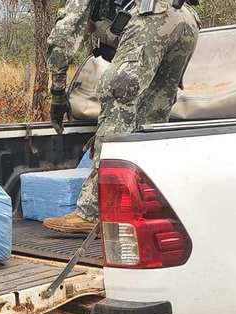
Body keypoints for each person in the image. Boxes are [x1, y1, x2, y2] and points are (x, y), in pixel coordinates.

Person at [43, 0, 199, 233]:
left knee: (117, 103)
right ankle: (148, 205)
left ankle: (92, 212)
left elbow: (64, 34)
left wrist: (57, 92)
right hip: (187, 21)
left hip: (150, 18)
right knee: (152, 120)